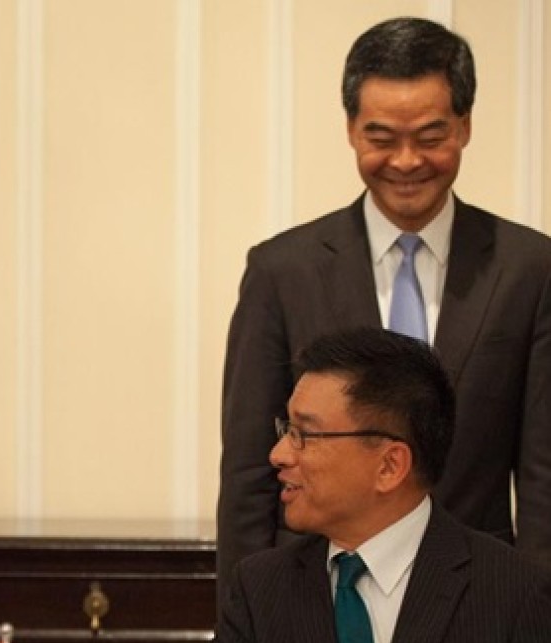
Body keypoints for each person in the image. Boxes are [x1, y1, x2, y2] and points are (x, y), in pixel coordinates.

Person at [216, 16, 551, 611]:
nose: (405, 160)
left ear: (465, 126)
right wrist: (246, 628)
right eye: (381, 137)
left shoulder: (529, 269)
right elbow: (248, 474)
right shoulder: (281, 272)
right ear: (350, 129)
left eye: (429, 136)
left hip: (477, 599)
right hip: (314, 598)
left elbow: (545, 475)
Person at [197, 327, 551, 643]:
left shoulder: (514, 594)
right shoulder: (261, 589)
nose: (279, 455)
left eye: (304, 434)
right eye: (286, 430)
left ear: (390, 466)